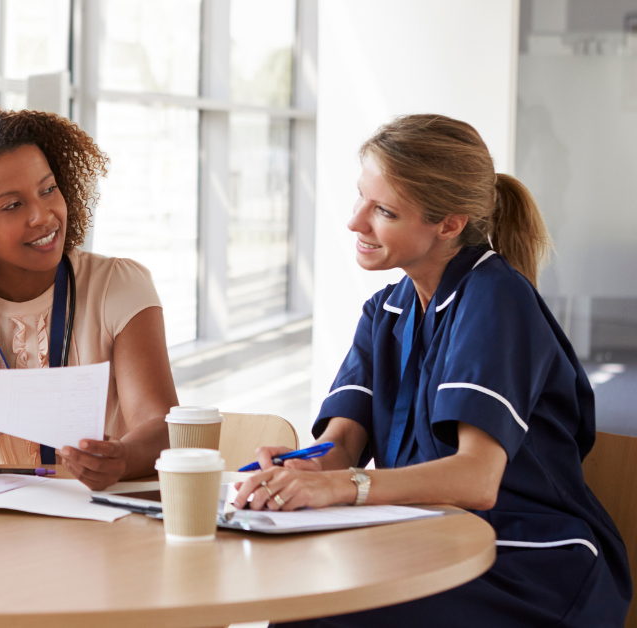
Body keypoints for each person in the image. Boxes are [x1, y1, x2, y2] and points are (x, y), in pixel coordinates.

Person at [235, 114, 630, 627]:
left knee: (328, 613)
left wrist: (341, 487)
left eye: (384, 211)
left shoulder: (497, 299)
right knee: (302, 601)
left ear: (449, 224)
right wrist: (302, 471)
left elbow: (478, 480)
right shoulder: (387, 312)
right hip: (426, 540)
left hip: (526, 560)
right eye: (361, 197)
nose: (355, 221)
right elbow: (343, 444)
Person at [0, 105, 177, 490]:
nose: (43, 216)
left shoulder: (118, 286)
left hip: (104, 520)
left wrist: (122, 458)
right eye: (13, 205)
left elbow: (161, 423)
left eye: (48, 190)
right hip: (4, 527)